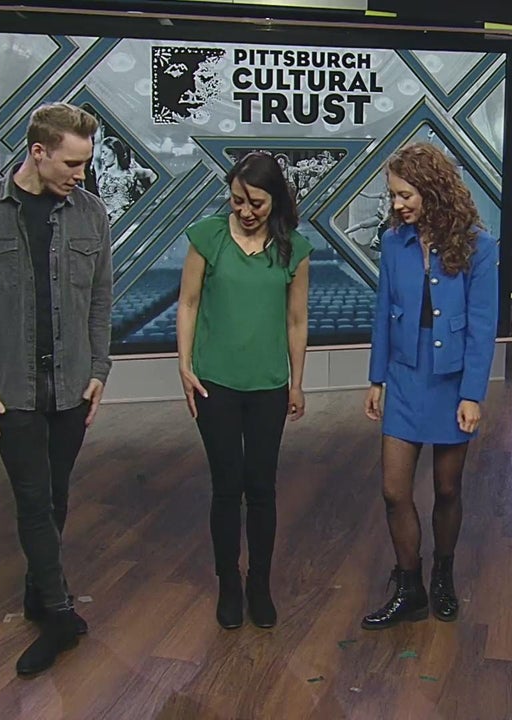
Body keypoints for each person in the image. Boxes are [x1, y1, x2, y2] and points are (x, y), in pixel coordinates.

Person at [0, 102, 112, 675]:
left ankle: (37, 595)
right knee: (33, 499)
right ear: (38, 153)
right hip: (10, 387)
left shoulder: (91, 214)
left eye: (86, 163)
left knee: (56, 496)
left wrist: (100, 369)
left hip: (72, 384)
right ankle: (60, 616)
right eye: (72, 163)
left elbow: (100, 296)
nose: (81, 175)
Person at [361, 142, 499, 630]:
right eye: (393, 195)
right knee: (394, 490)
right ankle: (409, 587)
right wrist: (376, 378)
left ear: (433, 189)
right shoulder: (392, 241)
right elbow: (383, 311)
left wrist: (472, 394)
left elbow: (483, 326)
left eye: (405, 194)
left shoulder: (479, 246)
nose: (397, 204)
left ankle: (442, 574)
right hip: (404, 375)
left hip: (452, 379)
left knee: (446, 488)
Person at [176, 151, 312, 630]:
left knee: (261, 487)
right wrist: (184, 365)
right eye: (237, 200)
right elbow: (188, 302)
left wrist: (297, 382)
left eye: (256, 202)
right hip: (214, 383)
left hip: (269, 386)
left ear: (275, 200)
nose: (246, 210)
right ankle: (228, 584)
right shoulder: (208, 236)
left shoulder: (294, 249)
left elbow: (297, 320)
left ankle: (260, 584)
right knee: (226, 486)